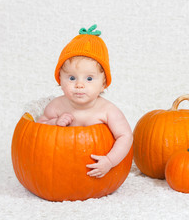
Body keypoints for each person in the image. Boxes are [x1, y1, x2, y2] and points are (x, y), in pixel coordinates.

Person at [37, 25, 133, 178]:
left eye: (89, 78)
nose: (79, 84)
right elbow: (37, 130)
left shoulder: (108, 111)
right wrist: (54, 122)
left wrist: (109, 161)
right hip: (61, 170)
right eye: (72, 78)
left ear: (103, 84)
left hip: (96, 172)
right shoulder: (56, 106)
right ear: (60, 80)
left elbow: (125, 136)